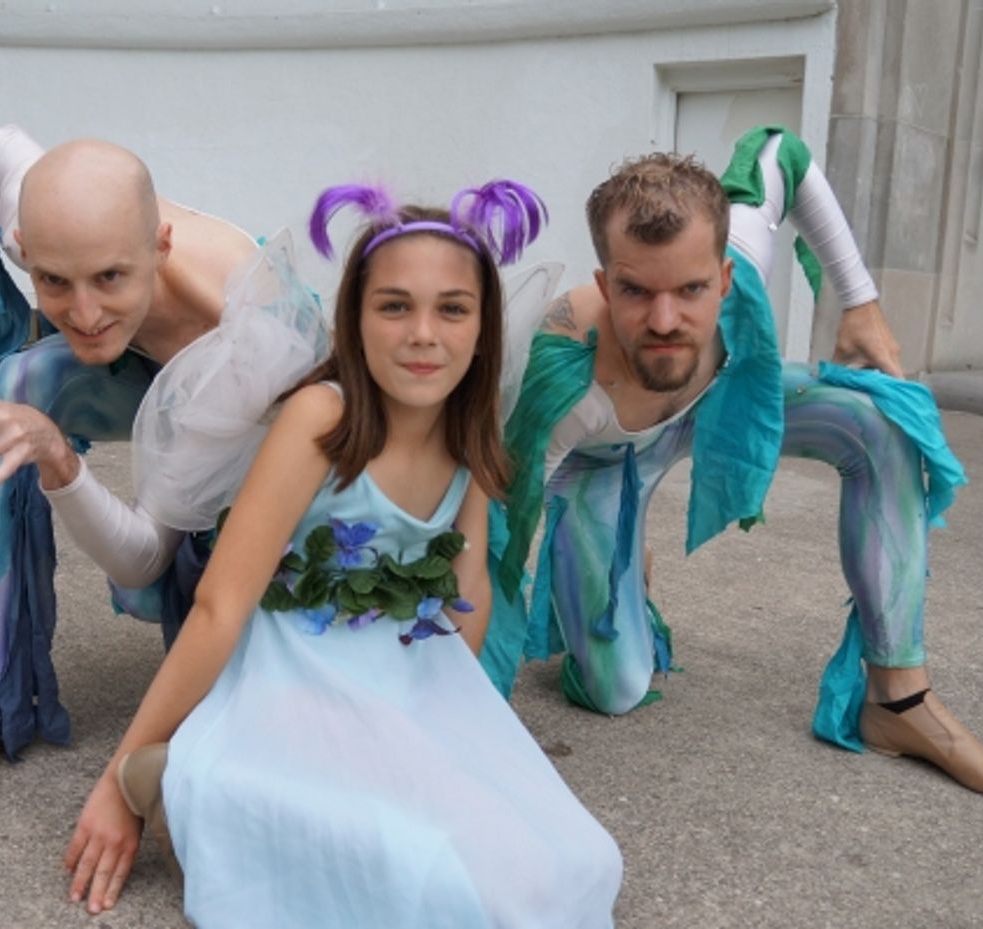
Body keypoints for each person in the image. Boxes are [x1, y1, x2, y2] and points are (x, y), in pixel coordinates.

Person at [60, 181, 624, 925]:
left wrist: (461, 739)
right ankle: (169, 777)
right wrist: (112, 773)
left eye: (452, 308)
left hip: (408, 674)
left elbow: (469, 593)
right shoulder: (322, 416)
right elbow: (220, 604)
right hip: (298, 670)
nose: (423, 332)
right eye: (394, 305)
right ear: (355, 321)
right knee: (414, 870)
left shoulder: (472, 426)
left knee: (578, 867)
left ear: (483, 329)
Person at [485, 128, 983, 804]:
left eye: (691, 289)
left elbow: (780, 152)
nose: (665, 320)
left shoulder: (742, 248)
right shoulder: (564, 375)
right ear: (605, 283)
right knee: (616, 688)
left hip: (716, 405)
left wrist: (859, 298)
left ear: (724, 276)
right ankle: (625, 569)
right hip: (602, 461)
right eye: (636, 292)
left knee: (884, 419)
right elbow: (500, 536)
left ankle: (898, 699)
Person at [0, 125, 326, 808]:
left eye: (110, 276)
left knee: (223, 596)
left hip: (239, 386)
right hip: (147, 355)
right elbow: (0, 147)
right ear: (24, 249)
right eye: (54, 282)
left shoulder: (240, 346)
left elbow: (142, 557)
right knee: (16, 381)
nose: (81, 313)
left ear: (159, 246)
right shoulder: (47, 229)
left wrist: (59, 460)